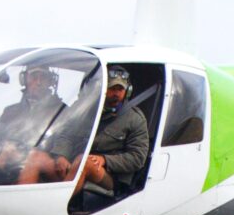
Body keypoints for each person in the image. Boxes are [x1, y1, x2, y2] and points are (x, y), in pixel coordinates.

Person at [20, 65, 148, 200]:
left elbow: (137, 157)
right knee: (35, 157)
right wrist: (61, 156)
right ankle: (22, 204)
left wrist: (105, 160)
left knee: (85, 162)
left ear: (127, 91)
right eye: (112, 89)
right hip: (75, 166)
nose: (116, 94)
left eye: (120, 89)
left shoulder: (135, 119)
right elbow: (67, 133)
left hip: (109, 178)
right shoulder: (85, 110)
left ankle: (54, 206)